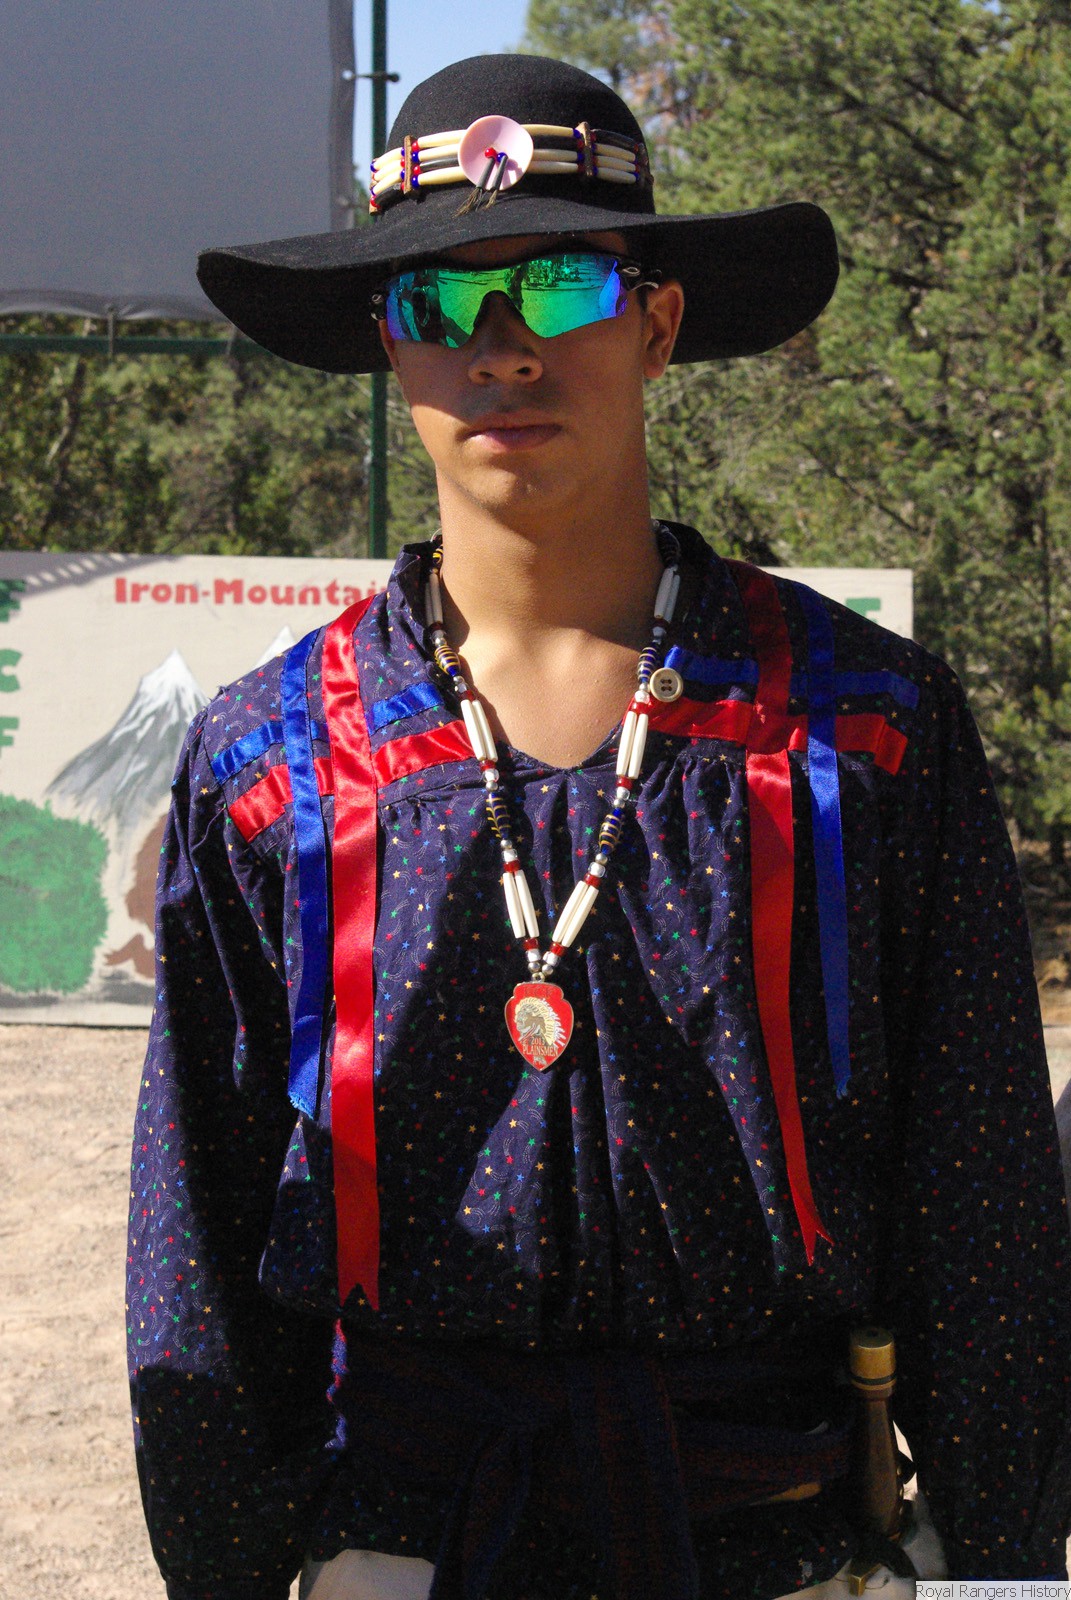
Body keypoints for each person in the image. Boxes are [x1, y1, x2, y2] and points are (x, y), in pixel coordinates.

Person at [127, 51, 1071, 1600]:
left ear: (659, 325)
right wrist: (228, 1561)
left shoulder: (864, 730)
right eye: (439, 299)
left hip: (785, 1543)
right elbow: (202, 1241)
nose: (501, 346)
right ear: (388, 342)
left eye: (562, 284)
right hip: (405, 1548)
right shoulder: (272, 762)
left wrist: (1005, 1559)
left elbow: (979, 1193)